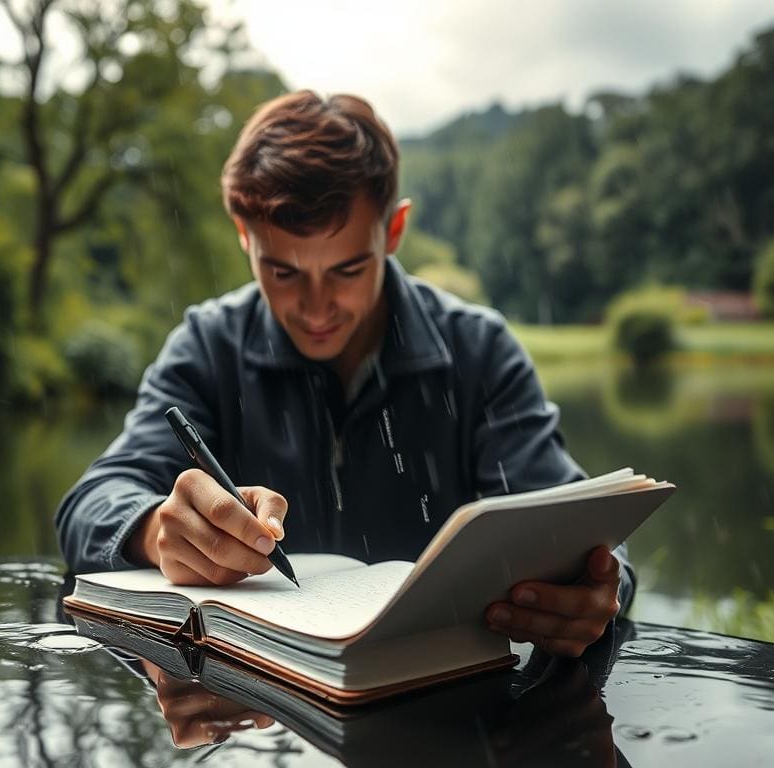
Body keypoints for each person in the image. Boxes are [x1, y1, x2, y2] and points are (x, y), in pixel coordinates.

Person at [56, 90, 633, 658]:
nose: (315, 308)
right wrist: (158, 529)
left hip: (439, 709)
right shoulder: (209, 346)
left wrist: (596, 587)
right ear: (243, 235)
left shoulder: (479, 352)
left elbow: (576, 525)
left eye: (347, 269)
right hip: (259, 707)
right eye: (281, 272)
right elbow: (90, 505)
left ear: (395, 230)